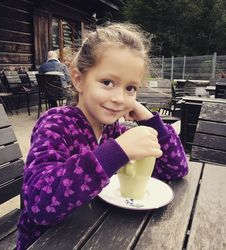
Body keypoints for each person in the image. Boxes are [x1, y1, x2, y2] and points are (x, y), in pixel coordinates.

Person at [17, 23, 188, 249]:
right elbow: (38, 204)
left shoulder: (112, 130)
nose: (119, 98)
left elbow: (175, 169)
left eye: (130, 88)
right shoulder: (55, 124)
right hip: (44, 241)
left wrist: (149, 119)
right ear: (78, 79)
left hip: (93, 232)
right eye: (108, 83)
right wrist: (114, 153)